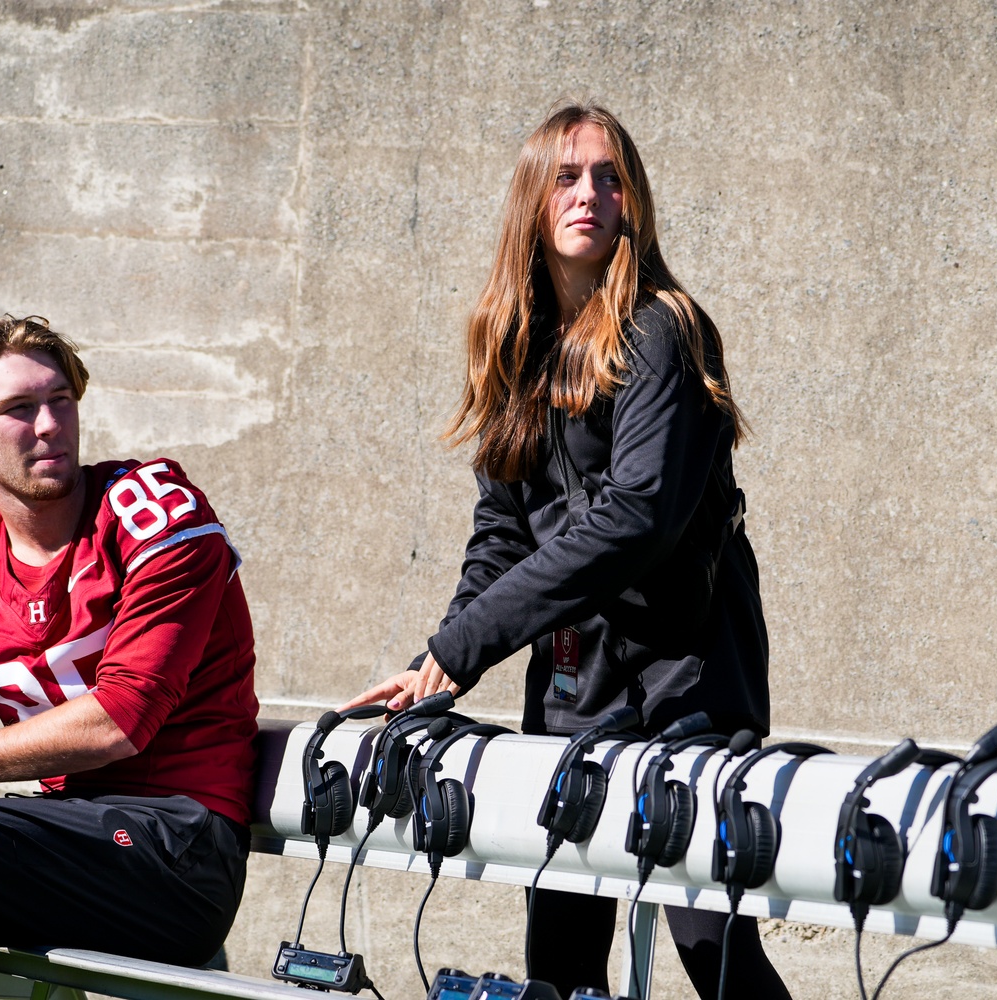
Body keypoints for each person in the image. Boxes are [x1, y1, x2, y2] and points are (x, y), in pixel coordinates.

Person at [344, 104, 791, 999]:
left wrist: (460, 650)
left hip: (685, 684)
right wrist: (438, 665)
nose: (591, 194)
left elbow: (634, 519)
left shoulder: (664, 329)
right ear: (532, 200)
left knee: (712, 948)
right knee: (561, 955)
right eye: (568, 175)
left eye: (610, 177)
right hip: (572, 689)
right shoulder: (517, 345)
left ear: (634, 202)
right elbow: (502, 534)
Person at [0, 315, 259, 999]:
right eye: (19, 408)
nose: (48, 425)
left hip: (177, 852)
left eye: (59, 400)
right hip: (64, 845)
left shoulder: (154, 516)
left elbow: (122, 718)